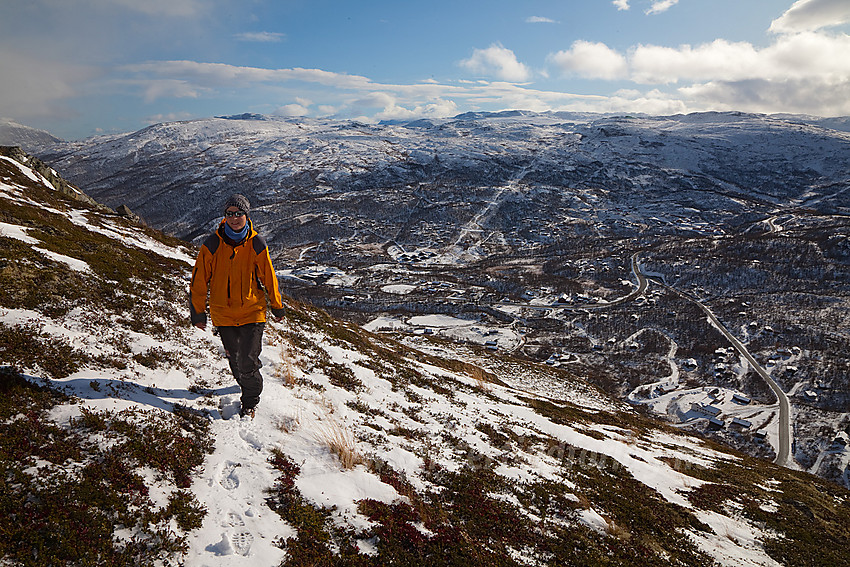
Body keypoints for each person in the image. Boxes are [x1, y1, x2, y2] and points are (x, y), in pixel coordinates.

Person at [190, 194, 285, 419]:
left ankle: (250, 400)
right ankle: (245, 377)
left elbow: (269, 277)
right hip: (223, 314)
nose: (234, 218)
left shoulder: (256, 243)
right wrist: (198, 312)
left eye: (239, 213)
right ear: (225, 216)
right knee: (234, 358)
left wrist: (277, 305)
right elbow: (199, 280)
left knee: (247, 360)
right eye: (230, 214)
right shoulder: (212, 244)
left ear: (246, 215)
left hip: (253, 311)